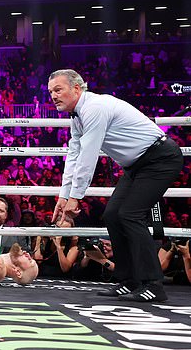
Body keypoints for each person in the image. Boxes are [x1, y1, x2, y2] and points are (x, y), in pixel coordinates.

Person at [48, 69, 183, 302]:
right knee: (112, 215)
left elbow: (88, 157)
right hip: (138, 166)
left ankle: (153, 284)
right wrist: (64, 194)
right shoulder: (77, 115)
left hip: (160, 159)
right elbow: (74, 154)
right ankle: (128, 280)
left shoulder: (94, 108)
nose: (53, 96)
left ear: (77, 88)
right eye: (50, 92)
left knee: (130, 215)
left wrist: (75, 198)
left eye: (58, 90)